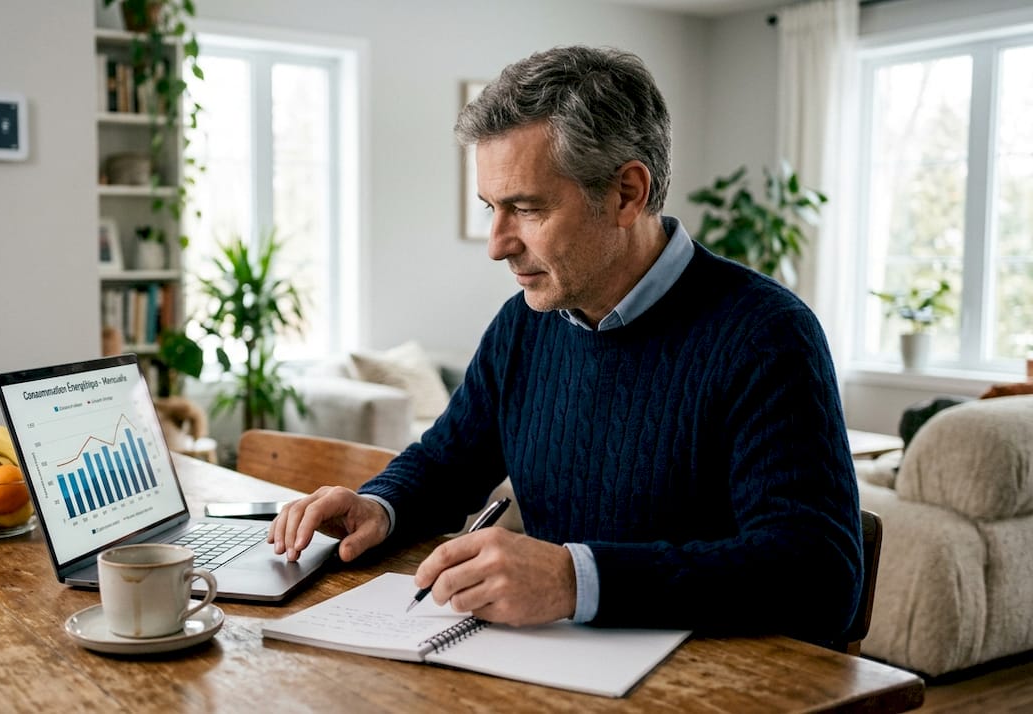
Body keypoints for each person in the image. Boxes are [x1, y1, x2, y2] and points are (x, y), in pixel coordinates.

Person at [269, 45, 862, 643]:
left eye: (526, 209)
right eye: (490, 208)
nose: (497, 245)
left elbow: (821, 576)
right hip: (551, 663)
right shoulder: (525, 324)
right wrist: (379, 505)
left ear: (627, 193)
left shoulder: (766, 335)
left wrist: (575, 580)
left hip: (712, 677)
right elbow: (448, 463)